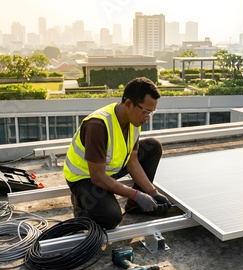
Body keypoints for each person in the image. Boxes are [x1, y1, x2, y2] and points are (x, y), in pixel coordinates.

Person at [63, 77, 171, 229]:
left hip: (109, 169)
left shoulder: (134, 121)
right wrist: (136, 194)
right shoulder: (97, 125)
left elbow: (133, 161)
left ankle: (136, 206)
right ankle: (81, 204)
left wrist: (152, 192)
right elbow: (98, 177)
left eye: (151, 113)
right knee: (111, 218)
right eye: (146, 112)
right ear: (128, 104)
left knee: (153, 147)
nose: (147, 118)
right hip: (85, 178)